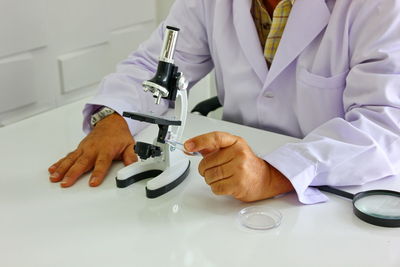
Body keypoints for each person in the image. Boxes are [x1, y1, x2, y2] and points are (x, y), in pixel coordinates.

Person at [48, 0, 400, 204]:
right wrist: (115, 117)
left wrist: (275, 172)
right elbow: (155, 67)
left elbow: (386, 124)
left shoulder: (379, 7)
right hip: (227, 196)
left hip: (337, 193)